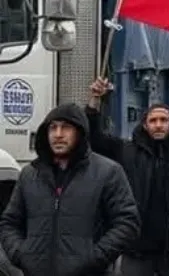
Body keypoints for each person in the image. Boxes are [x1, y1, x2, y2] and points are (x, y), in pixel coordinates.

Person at [0, 103, 141, 276]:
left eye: (66, 128)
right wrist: (21, 255)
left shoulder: (108, 172)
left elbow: (127, 223)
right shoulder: (29, 175)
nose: (58, 135)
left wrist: (94, 258)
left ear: (80, 133)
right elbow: (9, 223)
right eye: (53, 128)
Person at [85, 77, 169, 276]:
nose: (158, 125)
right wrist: (95, 102)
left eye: (164, 120)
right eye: (153, 121)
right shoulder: (127, 151)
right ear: (145, 125)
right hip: (137, 249)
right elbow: (94, 139)